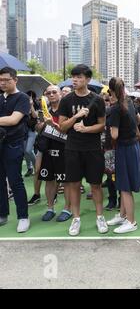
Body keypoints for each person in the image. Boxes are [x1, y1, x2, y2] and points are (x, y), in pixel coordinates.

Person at [59, 64, 108, 236]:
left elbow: (102, 125)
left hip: (93, 148)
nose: (75, 80)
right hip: (72, 148)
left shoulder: (97, 100)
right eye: (73, 77)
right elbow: (62, 127)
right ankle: (76, 218)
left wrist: (86, 129)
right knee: (74, 185)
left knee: (95, 185)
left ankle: (100, 216)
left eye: (79, 77)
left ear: (87, 79)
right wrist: (76, 117)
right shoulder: (66, 100)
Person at [106, 77, 140, 234]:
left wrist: (108, 128)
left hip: (125, 148)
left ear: (111, 91)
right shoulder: (129, 101)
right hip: (134, 146)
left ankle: (131, 221)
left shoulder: (115, 108)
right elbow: (139, 120)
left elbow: (114, 135)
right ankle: (123, 215)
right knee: (123, 184)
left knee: (125, 186)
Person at [0, 67, 31, 232]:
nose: (3, 83)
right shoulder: (0, 98)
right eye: (0, 80)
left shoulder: (22, 98)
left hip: (13, 145)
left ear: (15, 80)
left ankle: (23, 217)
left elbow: (13, 120)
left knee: (15, 181)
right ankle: (3, 214)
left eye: (6, 80)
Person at [37, 85, 72, 222]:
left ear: (60, 94)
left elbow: (70, 129)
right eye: (48, 93)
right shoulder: (44, 111)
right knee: (49, 180)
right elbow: (38, 127)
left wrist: (54, 125)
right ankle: (50, 208)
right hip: (47, 149)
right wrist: (42, 125)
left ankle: (67, 209)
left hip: (64, 149)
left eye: (54, 92)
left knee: (66, 181)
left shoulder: (67, 111)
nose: (51, 95)